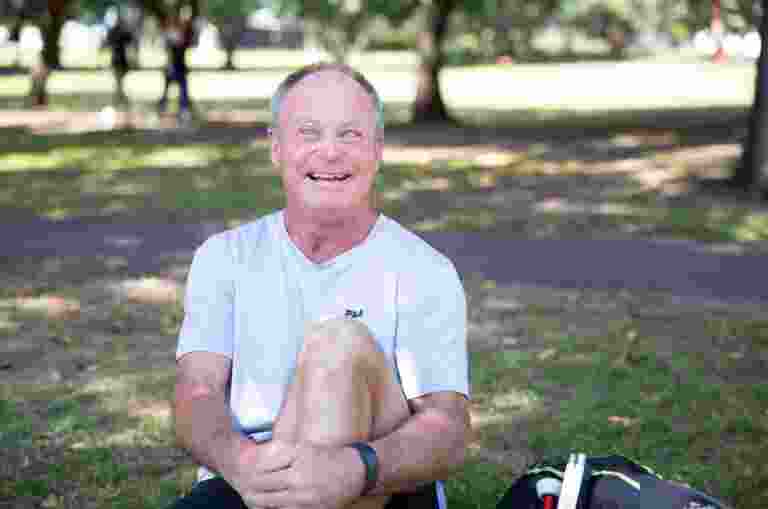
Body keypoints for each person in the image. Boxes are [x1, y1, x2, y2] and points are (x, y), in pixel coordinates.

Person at [169, 62, 472, 509]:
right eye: (309, 132)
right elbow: (196, 392)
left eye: (350, 134)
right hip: (253, 475)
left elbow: (447, 426)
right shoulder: (224, 257)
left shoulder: (425, 270)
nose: (330, 152)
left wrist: (357, 468)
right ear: (276, 148)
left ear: (378, 149)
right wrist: (239, 461)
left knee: (338, 345)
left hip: (379, 479)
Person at [157, 13, 194, 121]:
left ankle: (182, 109)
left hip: (179, 67)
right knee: (175, 90)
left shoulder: (181, 36)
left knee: (182, 91)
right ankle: (165, 108)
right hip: (174, 67)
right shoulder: (171, 36)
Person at [105, 13, 134, 106]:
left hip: (118, 59)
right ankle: (120, 97)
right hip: (120, 59)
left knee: (119, 80)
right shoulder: (121, 31)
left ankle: (120, 97)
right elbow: (130, 39)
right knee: (119, 80)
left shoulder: (114, 31)